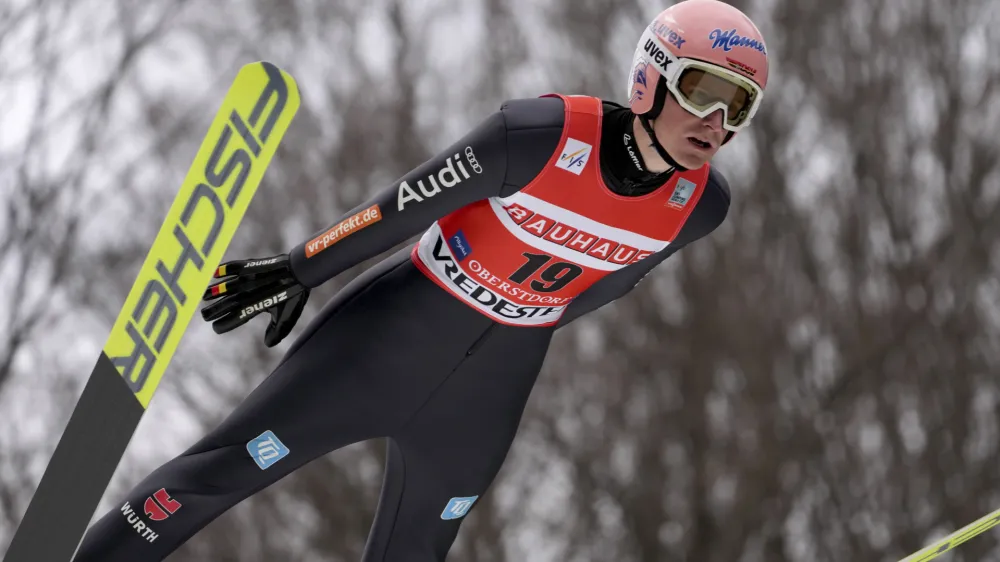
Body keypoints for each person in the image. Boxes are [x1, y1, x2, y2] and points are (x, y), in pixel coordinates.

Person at [75, 0, 769, 559]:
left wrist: (528, 312)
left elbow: (612, 284)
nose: (716, 122)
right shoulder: (541, 135)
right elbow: (403, 206)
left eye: (739, 107)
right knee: (219, 472)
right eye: (704, 91)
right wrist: (300, 268)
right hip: (386, 343)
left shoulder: (700, 208)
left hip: (487, 393)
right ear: (651, 76)